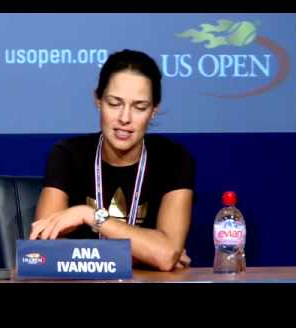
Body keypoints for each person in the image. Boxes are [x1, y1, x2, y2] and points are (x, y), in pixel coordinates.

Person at [29, 49, 195, 271]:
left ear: (154, 110)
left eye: (139, 107)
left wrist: (88, 215)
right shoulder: (67, 155)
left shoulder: (174, 159)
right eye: (114, 103)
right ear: (98, 100)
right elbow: (46, 250)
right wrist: (143, 254)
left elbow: (164, 255)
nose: (124, 118)